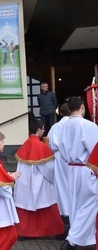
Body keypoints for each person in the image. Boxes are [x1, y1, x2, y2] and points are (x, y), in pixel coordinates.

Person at [57, 96, 98, 250]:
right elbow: (95, 149)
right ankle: (72, 240)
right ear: (82, 107)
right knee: (90, 204)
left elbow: (59, 147)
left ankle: (84, 239)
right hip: (86, 168)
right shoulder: (88, 125)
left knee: (75, 204)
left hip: (71, 168)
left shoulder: (63, 126)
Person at [14, 119, 64, 238]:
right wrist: (54, 179)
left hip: (25, 182)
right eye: (42, 129)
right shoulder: (41, 146)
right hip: (40, 182)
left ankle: (23, 233)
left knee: (25, 206)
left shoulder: (25, 144)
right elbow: (48, 169)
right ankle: (56, 232)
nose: (44, 131)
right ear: (38, 130)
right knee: (47, 205)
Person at [47, 103, 71, 218]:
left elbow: (49, 144)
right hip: (73, 158)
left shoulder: (55, 127)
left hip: (59, 158)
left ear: (60, 113)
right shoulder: (75, 125)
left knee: (61, 185)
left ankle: (63, 211)